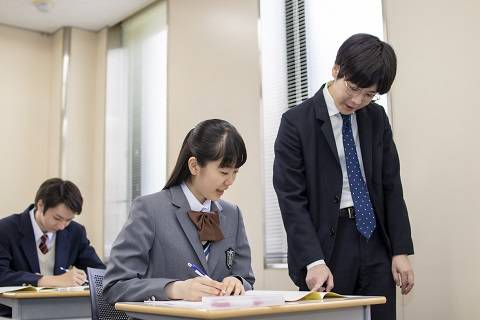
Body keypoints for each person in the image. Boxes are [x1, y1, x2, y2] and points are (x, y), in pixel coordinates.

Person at [273, 33, 414, 320]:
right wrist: (313, 260)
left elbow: (391, 185)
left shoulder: (376, 118)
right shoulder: (296, 123)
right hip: (328, 246)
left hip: (375, 239)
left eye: (369, 95)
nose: (358, 100)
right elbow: (291, 199)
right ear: (336, 69)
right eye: (353, 88)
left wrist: (400, 250)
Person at [103, 119, 254, 303]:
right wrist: (174, 289)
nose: (230, 181)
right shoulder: (149, 209)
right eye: (224, 172)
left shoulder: (233, 214)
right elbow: (115, 286)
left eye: (235, 172)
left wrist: (237, 282)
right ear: (194, 166)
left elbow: (246, 279)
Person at [0, 178, 105, 288]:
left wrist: (82, 277)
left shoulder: (75, 232)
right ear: (40, 205)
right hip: (16, 304)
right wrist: (43, 280)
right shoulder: (6, 229)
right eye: (57, 218)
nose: (62, 226)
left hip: (61, 304)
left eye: (68, 220)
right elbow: (1, 274)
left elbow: (99, 273)